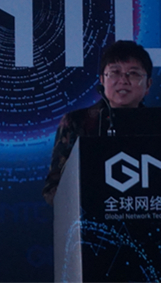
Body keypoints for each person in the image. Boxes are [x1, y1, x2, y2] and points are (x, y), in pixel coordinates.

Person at [42, 40, 153, 205]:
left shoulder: (160, 124)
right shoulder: (76, 122)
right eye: (115, 72)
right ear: (102, 80)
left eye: (133, 73)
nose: (123, 80)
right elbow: (53, 186)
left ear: (148, 85)